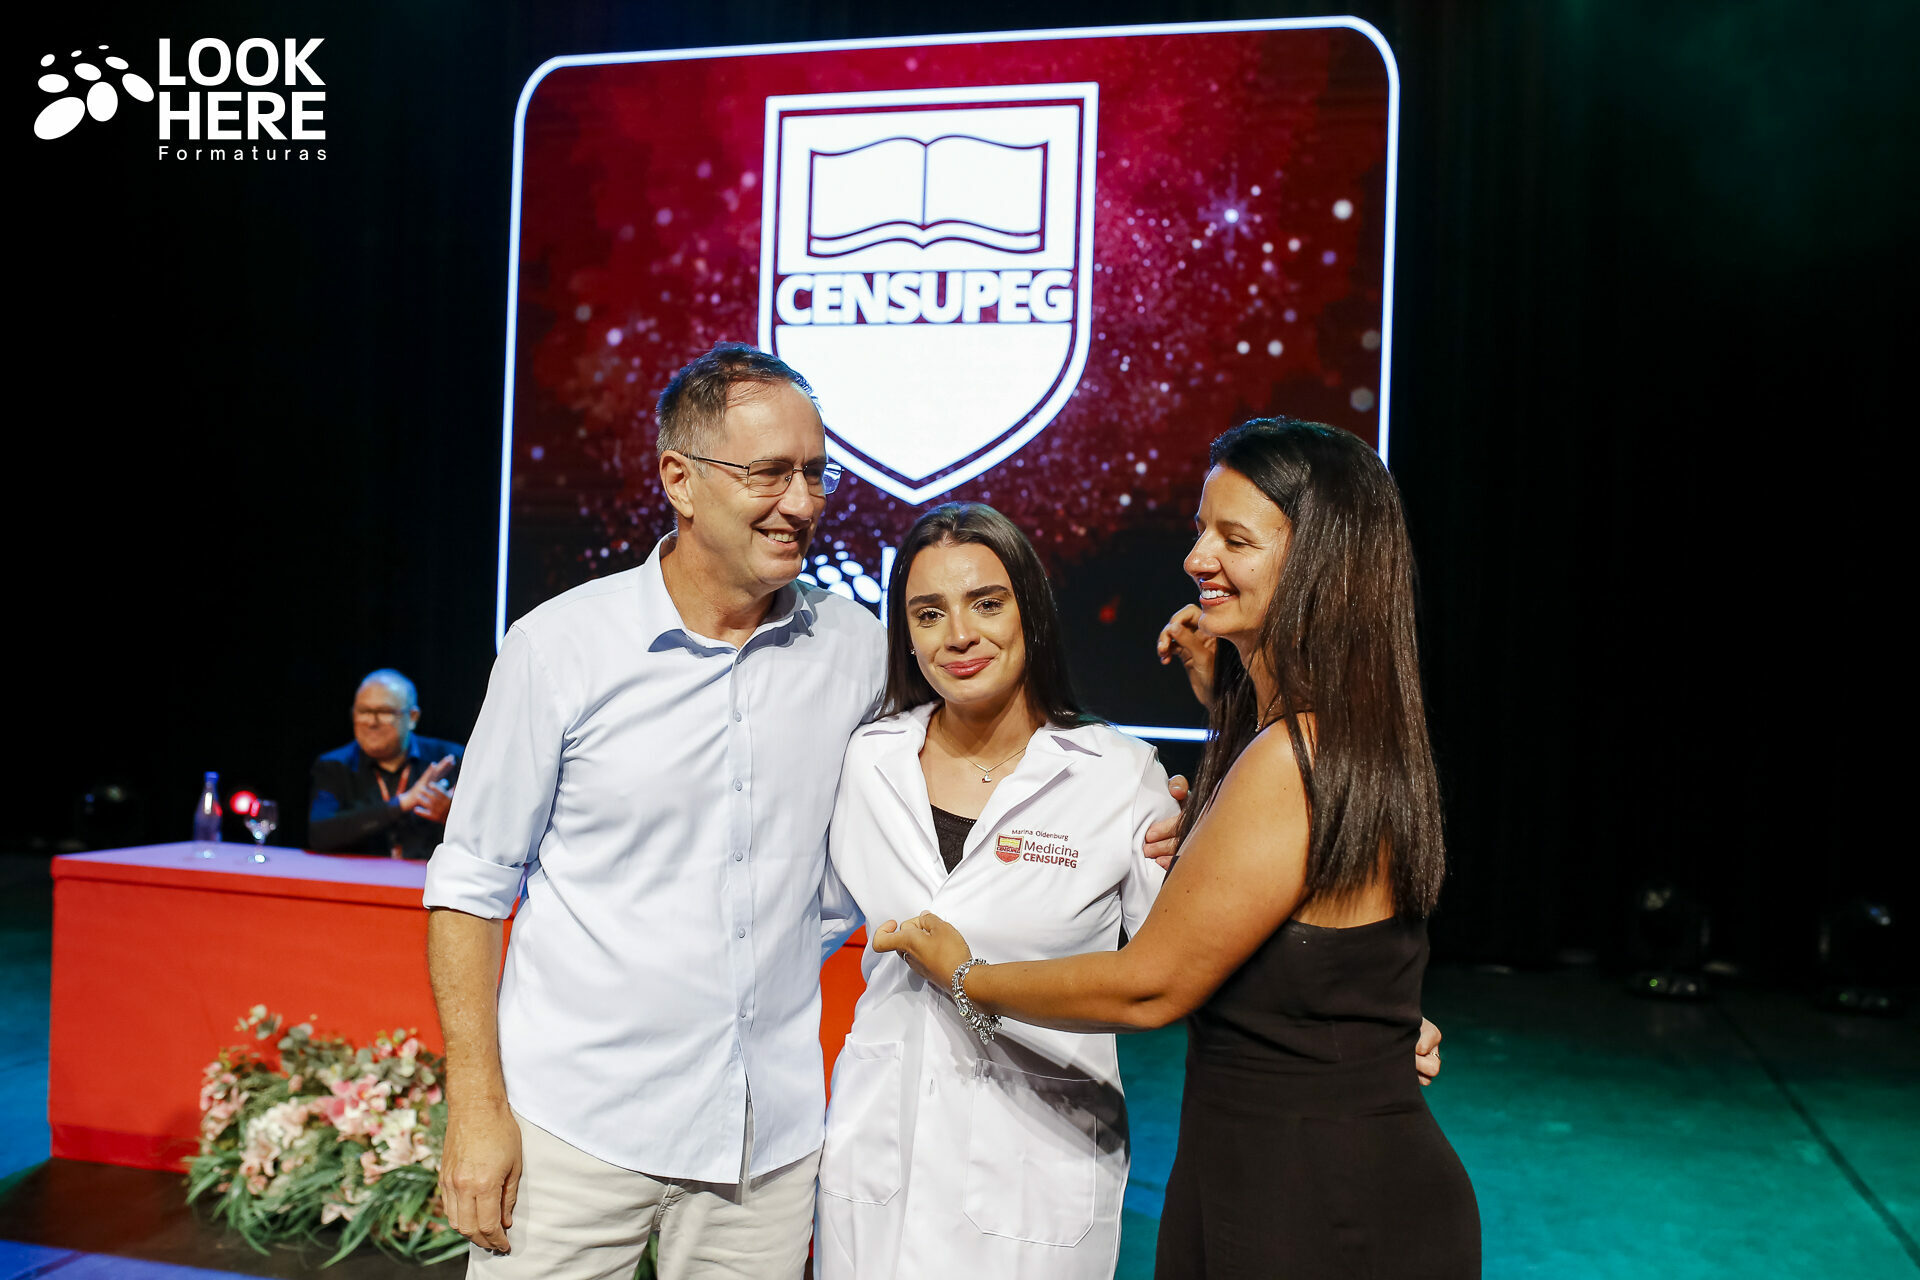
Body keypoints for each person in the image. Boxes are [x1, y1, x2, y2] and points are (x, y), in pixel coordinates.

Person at [423, 342, 1190, 1279]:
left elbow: (998, 764)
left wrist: (1175, 810)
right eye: (769, 473)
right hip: (576, 1128)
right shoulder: (559, 649)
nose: (802, 502)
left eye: (816, 473)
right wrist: (476, 1106)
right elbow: (470, 884)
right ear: (679, 479)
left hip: (769, 1151)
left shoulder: (856, 650)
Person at [876, 419, 1481, 1279]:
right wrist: (1218, 689)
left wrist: (967, 976)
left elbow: (1150, 984)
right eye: (1202, 530)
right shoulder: (1332, 736)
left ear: (1323, 561)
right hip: (1284, 1173)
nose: (1198, 558)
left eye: (1236, 539)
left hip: (1316, 1203)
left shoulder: (1293, 759)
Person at [814, 503, 1174, 1279]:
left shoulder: (1119, 776)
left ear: (1030, 612)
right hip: (878, 1162)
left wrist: (1355, 1016)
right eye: (928, 613)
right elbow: (796, 915)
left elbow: (1183, 966)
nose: (959, 635)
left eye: (986, 603)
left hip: (1037, 1170)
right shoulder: (868, 761)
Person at [309, 668, 461, 859]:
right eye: (364, 711)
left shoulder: (451, 760)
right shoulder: (334, 766)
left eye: (384, 712)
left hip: (428, 875)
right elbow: (320, 835)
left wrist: (451, 817)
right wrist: (402, 803)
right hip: (359, 875)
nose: (372, 722)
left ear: (412, 717)